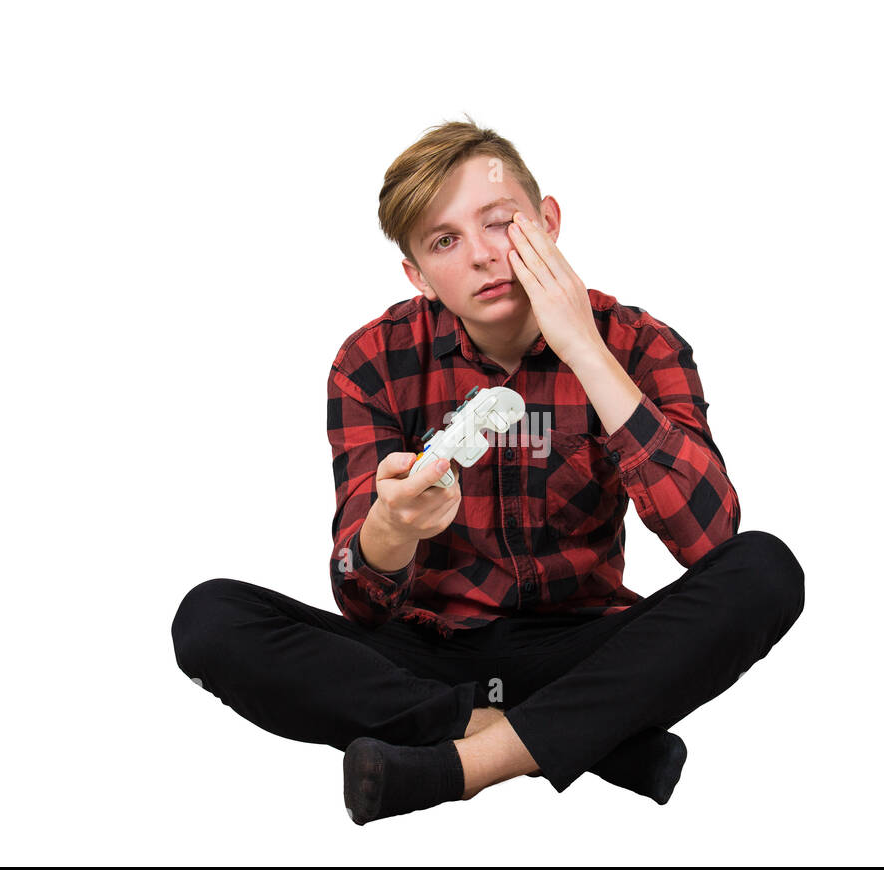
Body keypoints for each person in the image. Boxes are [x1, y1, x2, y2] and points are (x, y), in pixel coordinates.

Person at [171, 116, 806, 826]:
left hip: (584, 646)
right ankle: (584, 741)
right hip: (425, 655)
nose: (482, 257)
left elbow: (712, 542)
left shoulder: (641, 343)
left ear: (549, 222)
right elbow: (361, 601)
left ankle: (463, 765)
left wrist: (585, 351)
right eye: (445, 241)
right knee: (211, 620)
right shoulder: (372, 361)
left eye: (500, 224)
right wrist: (390, 527)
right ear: (419, 276)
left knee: (767, 572)